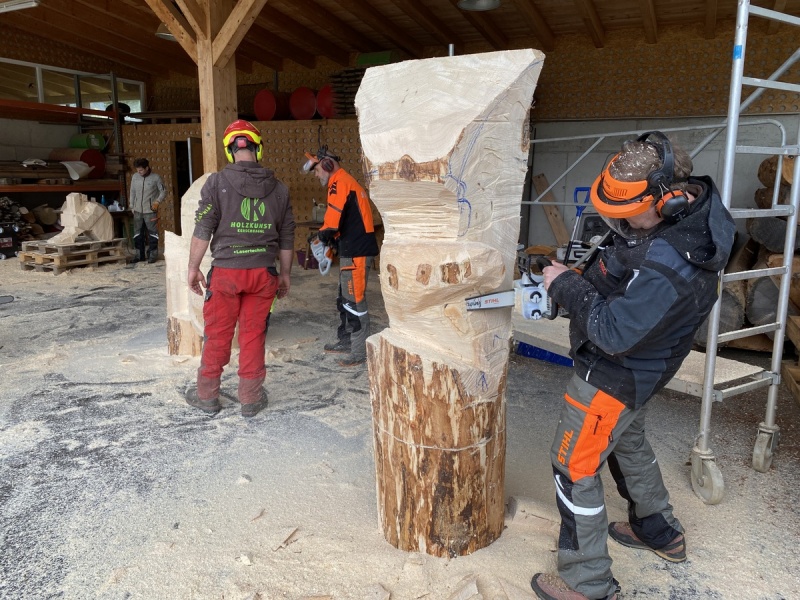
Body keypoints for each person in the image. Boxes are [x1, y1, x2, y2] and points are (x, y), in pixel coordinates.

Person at [530, 132, 736, 600]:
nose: (619, 222)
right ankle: (658, 530)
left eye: (628, 213)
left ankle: (587, 583)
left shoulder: (668, 262)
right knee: (627, 441)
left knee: (574, 467)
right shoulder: (694, 214)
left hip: (614, 373)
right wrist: (584, 277)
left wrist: (566, 287)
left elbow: (613, 332)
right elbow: (629, 273)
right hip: (648, 366)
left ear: (667, 200)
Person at [186, 119, 294, 418]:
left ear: (229, 150)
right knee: (253, 335)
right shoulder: (280, 189)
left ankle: (207, 396)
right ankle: (250, 398)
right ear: (258, 148)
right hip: (263, 273)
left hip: (226, 274)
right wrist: (285, 274)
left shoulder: (216, 183)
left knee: (218, 334)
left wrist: (193, 267)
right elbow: (287, 237)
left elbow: (203, 229)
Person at [302, 146, 379, 367]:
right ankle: (346, 340)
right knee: (344, 298)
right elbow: (342, 222)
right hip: (351, 249)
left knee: (354, 301)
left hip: (356, 252)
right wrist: (331, 241)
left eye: (317, 170)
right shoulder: (343, 182)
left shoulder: (339, 183)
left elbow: (332, 222)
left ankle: (359, 351)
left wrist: (321, 237)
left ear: (327, 165)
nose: (316, 175)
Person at [129, 157, 166, 263]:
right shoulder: (135, 177)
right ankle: (139, 255)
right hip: (137, 210)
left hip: (150, 211)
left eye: (141, 170)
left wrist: (157, 201)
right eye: (137, 170)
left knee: (152, 233)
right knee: (137, 233)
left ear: (147, 168)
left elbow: (163, 191)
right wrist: (132, 206)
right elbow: (132, 191)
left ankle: (152, 256)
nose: (139, 172)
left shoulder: (156, 178)